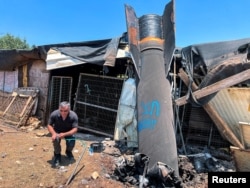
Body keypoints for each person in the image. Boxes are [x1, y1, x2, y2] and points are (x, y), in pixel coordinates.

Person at [47, 101, 78, 167]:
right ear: (59, 109)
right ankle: (57, 155)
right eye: (61, 110)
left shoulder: (73, 115)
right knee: (55, 140)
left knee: (71, 142)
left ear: (69, 109)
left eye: (65, 111)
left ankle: (68, 152)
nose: (63, 113)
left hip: (68, 132)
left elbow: (75, 129)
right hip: (57, 131)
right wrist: (54, 133)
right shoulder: (54, 114)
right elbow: (49, 125)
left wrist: (65, 134)